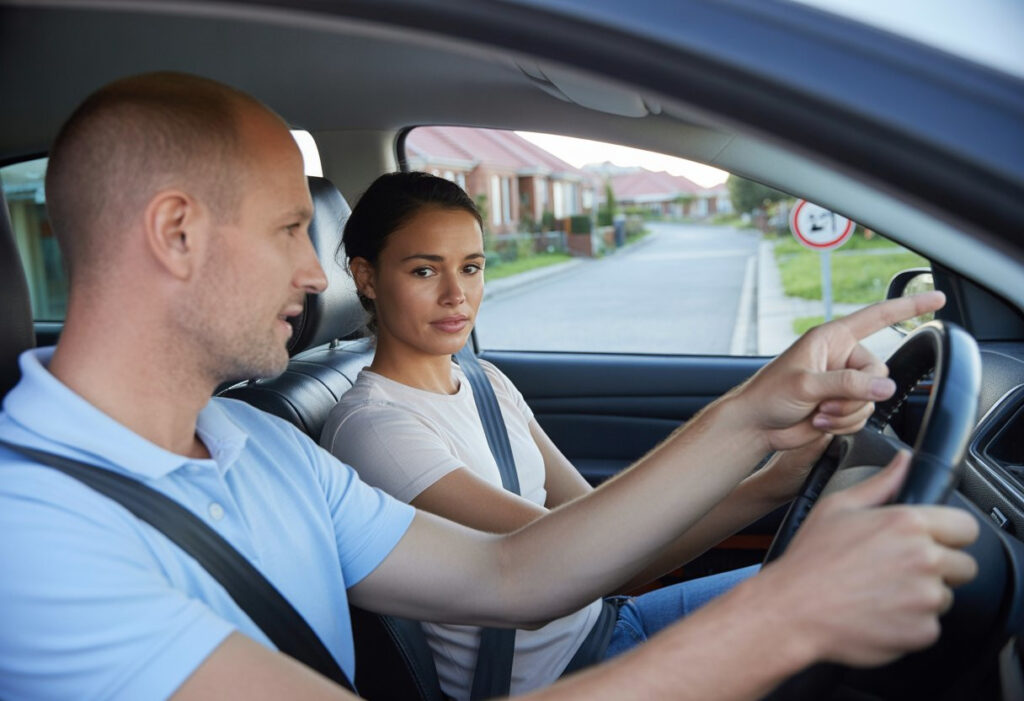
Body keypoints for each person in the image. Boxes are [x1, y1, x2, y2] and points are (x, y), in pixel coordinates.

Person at [0, 72, 978, 701]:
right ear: (177, 234)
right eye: (292, 228)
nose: (315, 274)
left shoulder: (258, 443)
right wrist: (787, 614)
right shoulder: (30, 537)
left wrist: (752, 413)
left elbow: (511, 574)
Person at [321, 171, 830, 698]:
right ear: (367, 278)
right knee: (831, 604)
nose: (457, 295)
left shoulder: (484, 380)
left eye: (471, 268)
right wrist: (755, 454)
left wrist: (778, 481)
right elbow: (590, 561)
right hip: (565, 680)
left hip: (606, 624)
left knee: (833, 586)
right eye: (425, 270)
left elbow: (606, 530)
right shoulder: (377, 429)